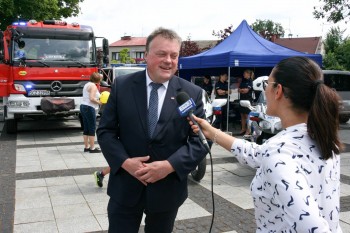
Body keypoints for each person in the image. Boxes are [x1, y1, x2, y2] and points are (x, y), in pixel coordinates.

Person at [188, 56, 344, 232]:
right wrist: (212, 132)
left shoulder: (279, 154)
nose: (265, 90)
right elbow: (257, 154)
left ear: (278, 91)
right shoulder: (326, 139)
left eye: (267, 84)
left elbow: (312, 227)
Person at [96, 27, 208, 233]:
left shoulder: (191, 93)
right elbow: (106, 132)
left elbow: (200, 141)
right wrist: (125, 162)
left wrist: (169, 165)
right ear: (146, 55)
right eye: (162, 54)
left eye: (174, 55)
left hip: (167, 190)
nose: (168, 60)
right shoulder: (123, 86)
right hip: (125, 187)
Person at [80, 72, 102, 153]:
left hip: (83, 106)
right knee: (92, 127)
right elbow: (92, 98)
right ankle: (92, 148)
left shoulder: (87, 84)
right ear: (98, 79)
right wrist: (100, 102)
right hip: (89, 107)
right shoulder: (93, 86)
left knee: (86, 128)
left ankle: (86, 147)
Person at [238, 69, 254, 136]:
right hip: (242, 99)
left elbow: (246, 90)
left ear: (248, 74)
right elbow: (239, 90)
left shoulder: (250, 81)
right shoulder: (243, 81)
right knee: (242, 115)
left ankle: (248, 130)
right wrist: (242, 90)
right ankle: (243, 129)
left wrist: (242, 90)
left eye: (245, 73)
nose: (244, 75)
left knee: (247, 116)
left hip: (248, 100)